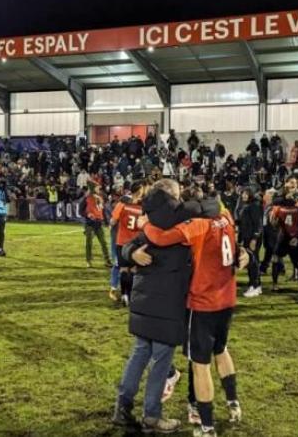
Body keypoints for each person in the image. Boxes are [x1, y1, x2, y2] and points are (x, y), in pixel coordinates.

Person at [111, 179, 219, 434]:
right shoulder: (183, 220)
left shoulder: (151, 224)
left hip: (143, 301)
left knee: (139, 354)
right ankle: (151, 416)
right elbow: (212, 206)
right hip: (168, 304)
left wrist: (131, 255)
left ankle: (122, 408)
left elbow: (125, 248)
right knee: (160, 360)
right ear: (171, 197)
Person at [139, 193, 249, 437]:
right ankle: (233, 404)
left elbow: (162, 237)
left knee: (200, 365)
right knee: (221, 350)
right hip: (227, 297)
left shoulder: (198, 225)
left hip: (203, 303)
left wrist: (145, 223)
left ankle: (207, 427)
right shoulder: (226, 215)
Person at [109, 181, 147, 307]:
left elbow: (113, 221)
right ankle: (132, 296)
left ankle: (124, 295)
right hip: (137, 243)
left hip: (122, 242)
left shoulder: (122, 204)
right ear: (140, 191)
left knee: (124, 269)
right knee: (135, 269)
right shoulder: (143, 207)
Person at [238, 188, 263, 298]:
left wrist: (254, 238)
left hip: (252, 238)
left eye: (246, 193)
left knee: (254, 262)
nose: (243, 195)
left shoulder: (254, 206)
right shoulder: (247, 205)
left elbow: (258, 223)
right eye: (243, 193)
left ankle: (256, 286)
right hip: (247, 237)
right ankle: (252, 284)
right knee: (250, 262)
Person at [83, 183, 113, 269]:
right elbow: (81, 210)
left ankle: (107, 261)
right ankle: (88, 260)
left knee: (103, 242)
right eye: (97, 188)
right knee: (89, 242)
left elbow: (102, 211)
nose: (99, 189)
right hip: (90, 223)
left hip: (99, 223)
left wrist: (107, 223)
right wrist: (87, 214)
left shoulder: (100, 197)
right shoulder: (87, 198)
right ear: (93, 188)